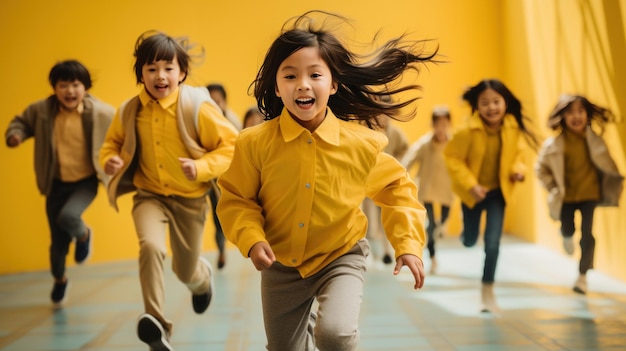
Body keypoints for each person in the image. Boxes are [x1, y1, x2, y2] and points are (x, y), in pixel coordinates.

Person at [217, 11, 434, 351]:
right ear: (277, 86)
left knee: (335, 335)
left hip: (340, 255)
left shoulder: (361, 143)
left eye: (315, 74)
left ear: (332, 84)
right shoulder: (253, 143)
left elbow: (397, 191)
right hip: (280, 265)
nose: (303, 84)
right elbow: (237, 199)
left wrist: (407, 245)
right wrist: (251, 238)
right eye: (290, 76)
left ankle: (325, 324)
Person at [99, 31, 238, 351]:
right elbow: (111, 144)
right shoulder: (129, 111)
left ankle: (201, 280)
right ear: (141, 75)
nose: (160, 75)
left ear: (182, 72)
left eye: (167, 68)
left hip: (190, 200)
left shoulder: (197, 108)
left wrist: (201, 168)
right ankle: (156, 321)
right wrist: (110, 160)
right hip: (149, 196)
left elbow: (231, 147)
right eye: (151, 69)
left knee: (184, 268)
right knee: (150, 247)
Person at [4, 60, 114, 305]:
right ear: (54, 88)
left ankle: (84, 235)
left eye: (76, 85)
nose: (70, 91)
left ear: (85, 87)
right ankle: (60, 279)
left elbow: (122, 133)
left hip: (85, 182)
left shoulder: (100, 113)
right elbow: (21, 122)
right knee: (57, 245)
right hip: (55, 184)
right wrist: (16, 135)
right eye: (63, 85)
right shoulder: (42, 112)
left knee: (69, 217)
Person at [444, 79, 539, 314]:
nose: (491, 108)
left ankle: (487, 291)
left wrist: (519, 170)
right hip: (473, 194)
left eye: (496, 101)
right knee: (469, 241)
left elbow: (517, 155)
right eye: (485, 103)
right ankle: (467, 226)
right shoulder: (466, 131)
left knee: (493, 244)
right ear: (477, 106)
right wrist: (471, 185)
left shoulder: (511, 128)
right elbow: (452, 158)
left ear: (505, 102)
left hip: (498, 193)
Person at [535, 94, 623, 294]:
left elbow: (607, 165)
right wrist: (552, 187)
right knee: (568, 229)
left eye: (580, 111)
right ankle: (566, 234)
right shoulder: (554, 145)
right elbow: (540, 169)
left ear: (588, 114)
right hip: (566, 196)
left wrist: (614, 181)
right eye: (570, 112)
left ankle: (582, 276)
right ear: (562, 116)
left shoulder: (596, 142)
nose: (576, 116)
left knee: (587, 235)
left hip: (590, 194)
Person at [402, 105, 454, 274]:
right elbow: (410, 159)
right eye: (438, 125)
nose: (441, 129)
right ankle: (433, 258)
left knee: (442, 220)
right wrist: (401, 173)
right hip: (428, 190)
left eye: (444, 125)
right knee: (432, 225)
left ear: (449, 125)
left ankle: (436, 229)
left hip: (447, 190)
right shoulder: (425, 144)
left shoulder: (454, 144)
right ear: (433, 125)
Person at [362, 111, 409, 265]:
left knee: (385, 220)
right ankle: (373, 252)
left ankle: (387, 252)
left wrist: (397, 162)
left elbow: (405, 148)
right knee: (370, 222)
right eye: (379, 113)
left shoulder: (395, 133)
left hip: (387, 184)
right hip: (369, 184)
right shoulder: (367, 131)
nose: (382, 117)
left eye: (386, 114)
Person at [205, 83, 241, 270]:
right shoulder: (200, 122)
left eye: (217, 102)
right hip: (209, 179)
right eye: (209, 101)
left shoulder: (233, 123)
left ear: (224, 103)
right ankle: (221, 251)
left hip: (229, 180)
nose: (214, 106)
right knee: (215, 219)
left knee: (228, 217)